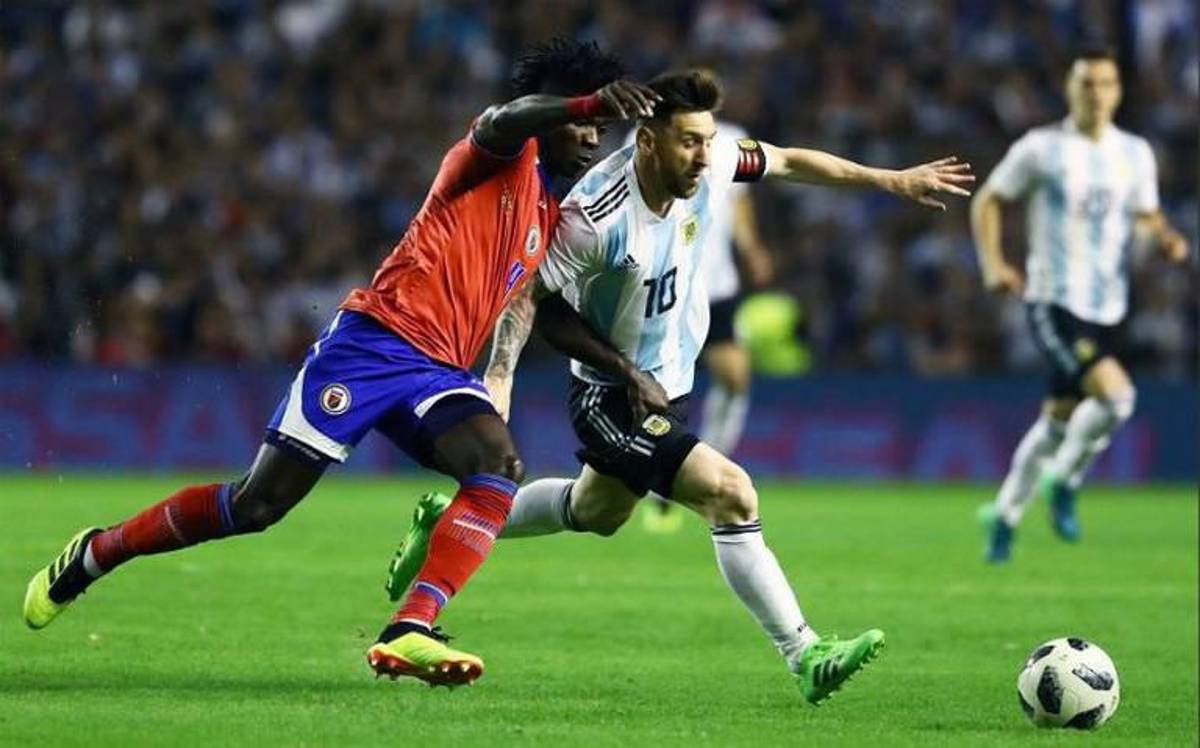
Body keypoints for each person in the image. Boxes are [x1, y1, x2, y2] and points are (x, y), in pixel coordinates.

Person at [23, 38, 660, 688]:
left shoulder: (546, 213)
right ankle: (98, 551)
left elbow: (542, 310)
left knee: (498, 467)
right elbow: (504, 117)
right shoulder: (494, 156)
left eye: (599, 127)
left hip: (439, 371)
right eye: (582, 122)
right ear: (552, 112)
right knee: (257, 506)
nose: (591, 138)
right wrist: (582, 102)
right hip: (370, 346)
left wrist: (621, 369)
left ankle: (410, 626)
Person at [387, 69, 974, 703]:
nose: (703, 155)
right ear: (647, 140)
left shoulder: (712, 164)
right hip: (611, 395)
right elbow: (533, 297)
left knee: (597, 511)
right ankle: (805, 653)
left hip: (668, 383)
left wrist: (890, 180)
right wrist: (512, 375)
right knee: (731, 494)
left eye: (708, 140)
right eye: (689, 142)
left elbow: (788, 160)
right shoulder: (594, 215)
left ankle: (454, 521)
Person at [971, 45, 1190, 563]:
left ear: (1118, 91)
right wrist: (993, 264)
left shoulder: (1135, 153)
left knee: (1057, 421)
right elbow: (989, 199)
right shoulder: (1042, 148)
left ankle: (1003, 514)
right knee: (1116, 398)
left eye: (1105, 83)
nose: (1095, 93)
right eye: (1085, 83)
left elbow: (1145, 213)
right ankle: (1064, 480)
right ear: (1069, 89)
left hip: (1109, 305)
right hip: (1054, 300)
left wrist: (1164, 236)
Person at [623, 120, 775, 533]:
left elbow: (739, 203)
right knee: (658, 392)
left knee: (735, 378)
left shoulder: (730, 139)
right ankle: (656, 472)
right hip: (668, 287)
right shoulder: (646, 135)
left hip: (716, 285)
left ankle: (706, 464)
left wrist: (751, 248)